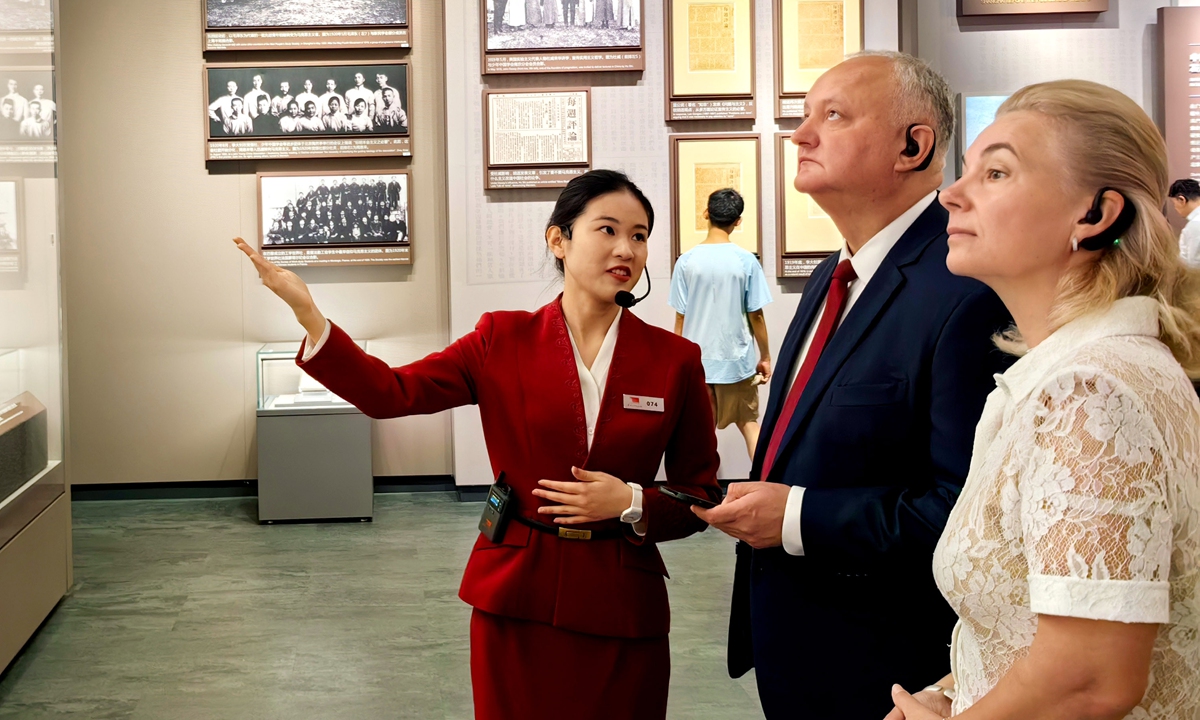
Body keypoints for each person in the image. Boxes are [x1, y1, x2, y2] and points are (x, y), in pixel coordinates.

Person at [234, 169, 721, 720]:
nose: (626, 249)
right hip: (515, 595)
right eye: (607, 229)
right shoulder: (501, 339)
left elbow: (699, 496)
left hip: (623, 604)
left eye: (639, 235)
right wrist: (308, 313)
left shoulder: (675, 360)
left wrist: (631, 502)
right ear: (558, 240)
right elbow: (391, 392)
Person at [692, 51, 1012, 719]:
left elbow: (969, 511)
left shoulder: (966, 288)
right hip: (798, 644)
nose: (800, 135)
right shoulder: (831, 277)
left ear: (912, 146)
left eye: (832, 116)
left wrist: (794, 517)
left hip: (893, 672)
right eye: (805, 115)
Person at [888, 79, 1200, 720]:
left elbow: (1090, 679)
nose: (952, 193)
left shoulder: (1092, 394)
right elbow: (1037, 630)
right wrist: (951, 693)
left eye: (997, 172)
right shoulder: (1084, 374)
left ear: (1096, 214)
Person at [669, 188, 772, 459]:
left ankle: (702, 485)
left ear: (706, 213)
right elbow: (756, 314)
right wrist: (765, 356)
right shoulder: (746, 261)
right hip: (736, 361)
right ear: (738, 221)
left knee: (702, 435)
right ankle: (764, 482)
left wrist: (677, 361)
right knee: (749, 425)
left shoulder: (686, 262)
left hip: (698, 362)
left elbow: (680, 316)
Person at [1169, 178, 1200, 268]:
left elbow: (1193, 264)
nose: (1175, 208)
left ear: (1181, 200)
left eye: (1174, 204)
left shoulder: (1195, 225)